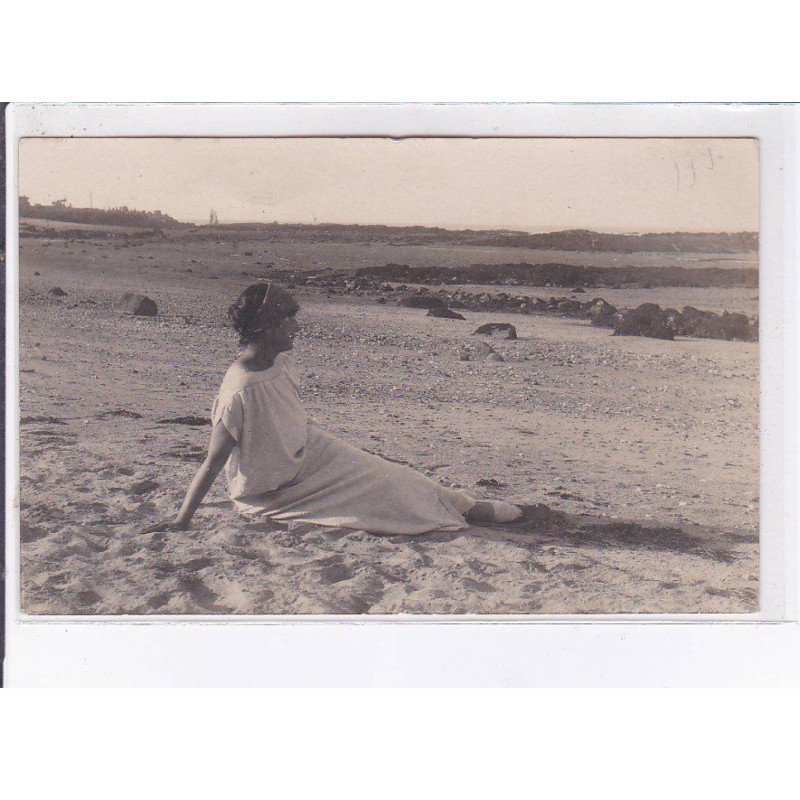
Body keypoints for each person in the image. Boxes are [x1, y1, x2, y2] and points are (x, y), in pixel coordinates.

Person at [143, 283, 521, 535]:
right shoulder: (239, 390)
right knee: (389, 492)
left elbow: (290, 422)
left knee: (397, 475)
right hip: (279, 490)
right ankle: (468, 511)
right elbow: (212, 462)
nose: (296, 327)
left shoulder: (279, 364)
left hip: (311, 454)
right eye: (289, 319)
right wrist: (181, 520)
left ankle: (466, 506)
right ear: (267, 327)